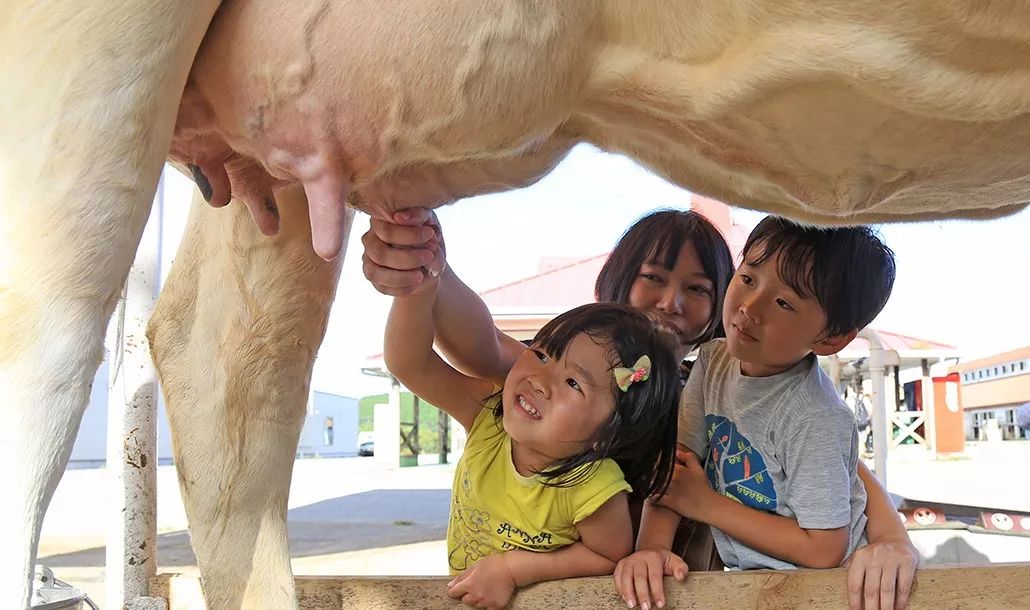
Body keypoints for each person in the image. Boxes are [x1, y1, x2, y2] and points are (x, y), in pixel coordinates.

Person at [362, 207, 919, 610]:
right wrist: (429, 266)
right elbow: (481, 348)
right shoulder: (564, 378)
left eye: (698, 288)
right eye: (653, 278)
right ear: (618, 278)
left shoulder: (713, 382)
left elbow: (840, 462)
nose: (670, 301)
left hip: (670, 588)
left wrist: (892, 540)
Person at [619, 217, 897, 605]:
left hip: (832, 588)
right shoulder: (714, 360)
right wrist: (651, 549)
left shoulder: (813, 417)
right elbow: (677, 472)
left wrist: (705, 504)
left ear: (830, 338)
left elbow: (824, 548)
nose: (749, 308)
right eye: (748, 278)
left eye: (784, 302)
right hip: (758, 581)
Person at [384, 281, 682, 608]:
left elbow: (608, 555)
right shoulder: (489, 417)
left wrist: (512, 570)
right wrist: (417, 286)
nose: (539, 379)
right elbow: (410, 365)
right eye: (541, 354)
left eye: (573, 382)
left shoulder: (594, 485)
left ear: (612, 429)